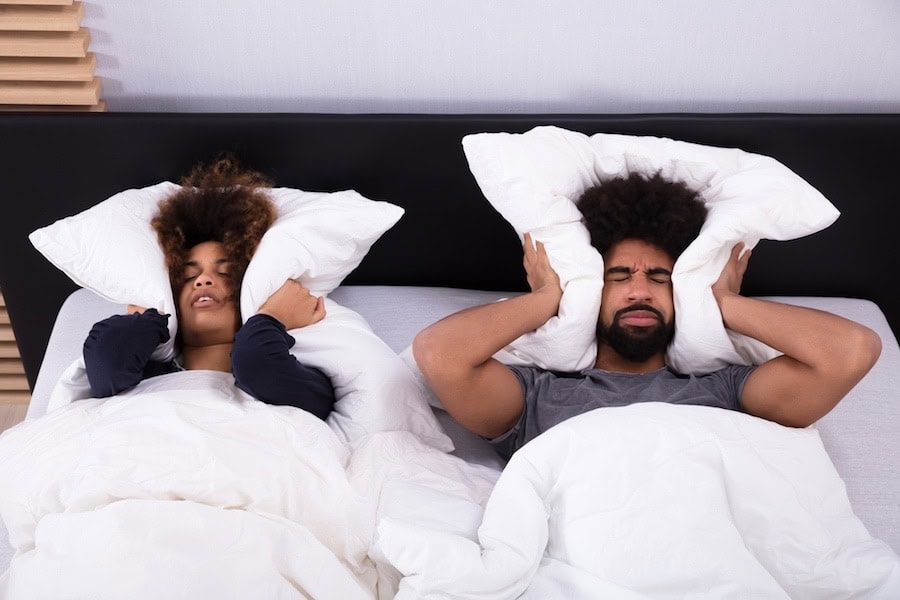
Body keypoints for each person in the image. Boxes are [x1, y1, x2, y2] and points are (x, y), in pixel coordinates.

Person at [413, 172, 882, 460]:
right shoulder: (538, 397)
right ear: (593, 291)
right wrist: (548, 297)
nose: (639, 289)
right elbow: (439, 354)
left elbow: (852, 352)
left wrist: (724, 303)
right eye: (618, 277)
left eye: (660, 278)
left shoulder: (725, 390)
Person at [82, 155, 336, 420]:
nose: (203, 280)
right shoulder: (142, 378)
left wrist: (271, 317)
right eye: (188, 276)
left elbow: (258, 365)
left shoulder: (293, 376)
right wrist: (148, 319)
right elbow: (107, 361)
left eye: (226, 272)